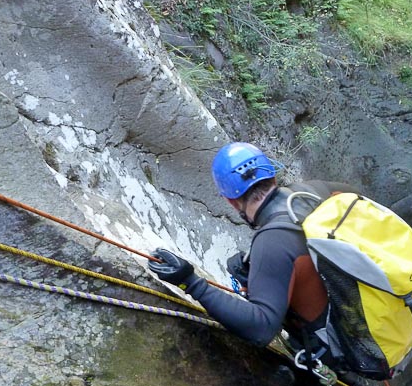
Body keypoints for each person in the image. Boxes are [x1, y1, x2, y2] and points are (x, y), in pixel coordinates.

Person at [148, 142, 359, 352]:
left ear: (231, 201)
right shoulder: (318, 190)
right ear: (272, 177)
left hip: (344, 345)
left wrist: (190, 283)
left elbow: (262, 329)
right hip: (369, 307)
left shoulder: (273, 242)